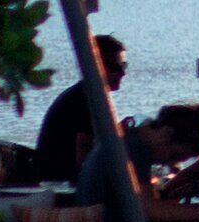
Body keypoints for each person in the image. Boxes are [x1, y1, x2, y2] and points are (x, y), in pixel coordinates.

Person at [28, 33, 127, 183]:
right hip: (62, 183)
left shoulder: (85, 93)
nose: (122, 73)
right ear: (95, 67)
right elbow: (84, 158)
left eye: (124, 66)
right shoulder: (87, 100)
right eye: (116, 67)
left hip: (55, 178)